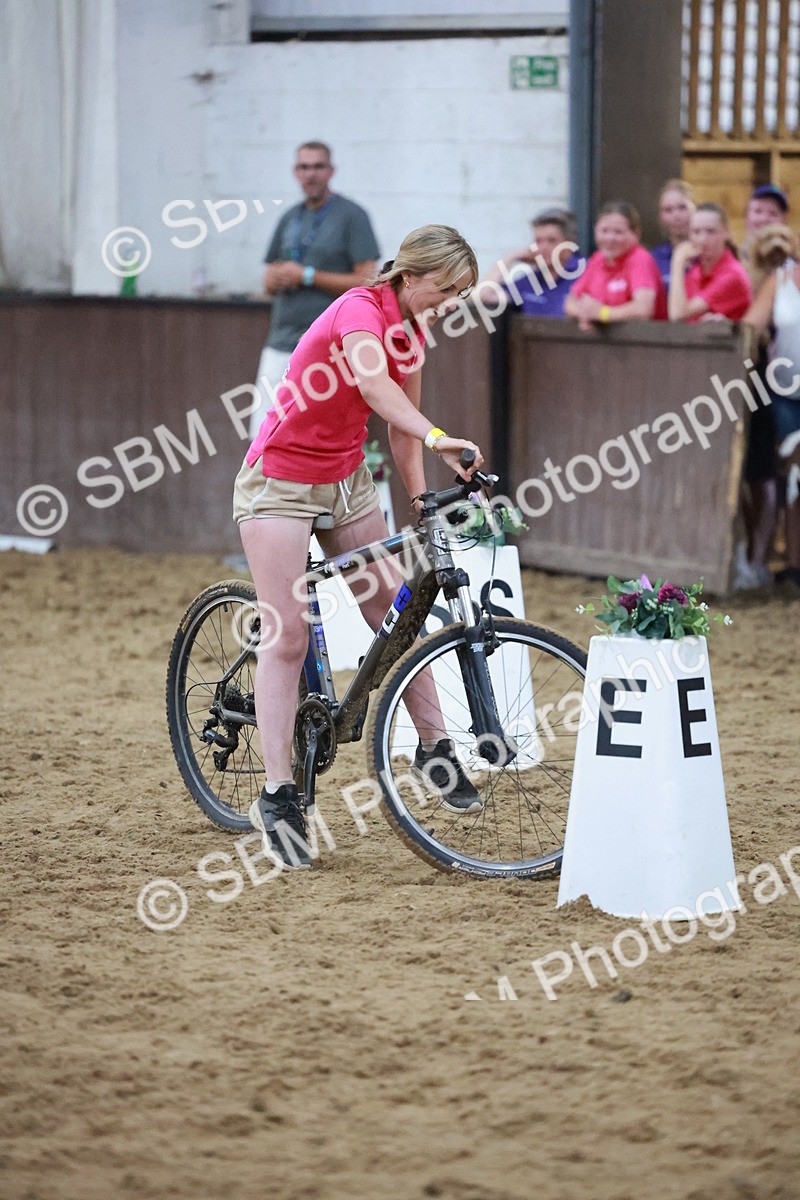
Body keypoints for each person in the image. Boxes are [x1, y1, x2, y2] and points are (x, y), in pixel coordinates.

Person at [234, 225, 484, 869]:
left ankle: (435, 748)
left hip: (347, 480)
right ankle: (279, 793)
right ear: (410, 276)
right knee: (287, 636)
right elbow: (376, 391)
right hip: (281, 482)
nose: (452, 300)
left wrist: (422, 500)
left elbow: (399, 434)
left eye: (461, 292)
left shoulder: (415, 333)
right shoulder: (357, 311)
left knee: (397, 615)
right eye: (447, 288)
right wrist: (441, 438)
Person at [250, 141, 380, 438]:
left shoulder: (352, 216)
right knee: (264, 431)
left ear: (331, 171)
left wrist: (307, 275)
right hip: (281, 341)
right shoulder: (289, 217)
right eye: (304, 167)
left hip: (329, 348)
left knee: (316, 433)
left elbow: (367, 280)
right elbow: (269, 276)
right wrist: (274, 279)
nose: (311, 174)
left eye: (318, 167)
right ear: (295, 173)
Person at [738, 187, 791, 588]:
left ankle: (775, 556)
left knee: (772, 475)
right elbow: (750, 324)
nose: (763, 219)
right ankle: (754, 557)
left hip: (771, 381)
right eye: (757, 211)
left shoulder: (785, 273)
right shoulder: (736, 261)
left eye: (771, 213)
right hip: (759, 383)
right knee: (756, 474)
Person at [564, 200, 667, 331]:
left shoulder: (640, 258)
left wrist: (602, 313)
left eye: (618, 232)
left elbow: (643, 309)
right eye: (604, 231)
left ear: (636, 234)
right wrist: (585, 314)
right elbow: (570, 302)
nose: (610, 238)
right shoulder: (598, 258)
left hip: (648, 344)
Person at [480, 207, 583, 316]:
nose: (543, 248)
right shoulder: (532, 280)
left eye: (551, 240)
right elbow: (484, 295)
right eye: (538, 241)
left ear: (570, 243)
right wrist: (511, 258)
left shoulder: (586, 272)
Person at [668, 203, 751, 323]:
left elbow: (677, 314)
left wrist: (677, 261)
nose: (703, 239)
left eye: (711, 231)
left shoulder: (733, 274)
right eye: (696, 232)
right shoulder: (695, 272)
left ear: (726, 233)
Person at [650, 179, 696, 290]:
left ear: (695, 208)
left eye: (682, 207)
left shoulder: (709, 254)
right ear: (660, 216)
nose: (676, 216)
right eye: (668, 210)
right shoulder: (653, 258)